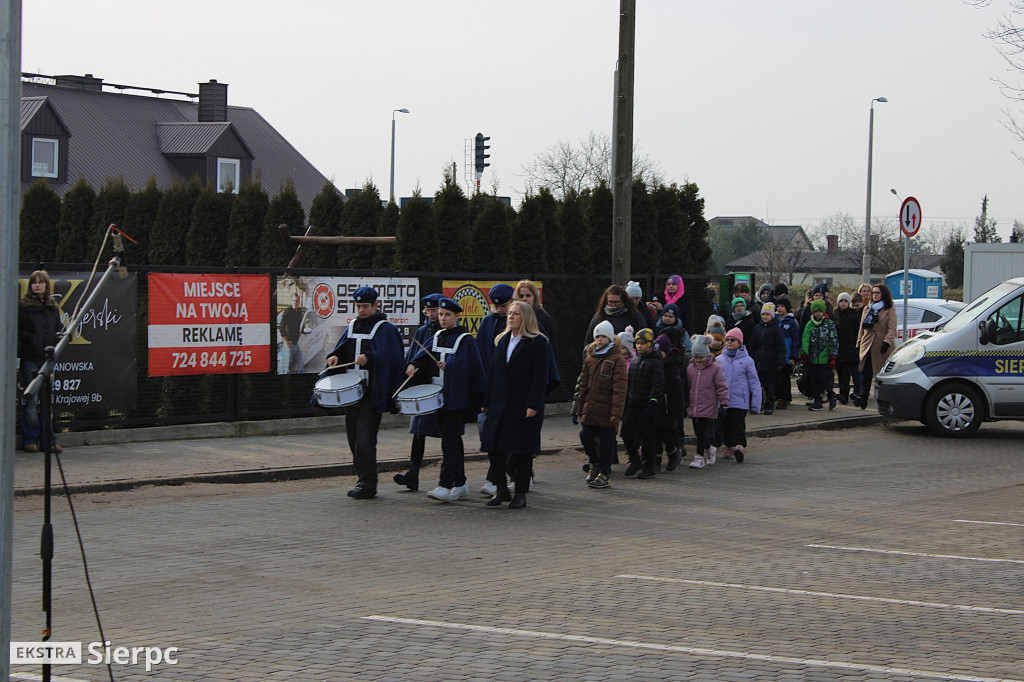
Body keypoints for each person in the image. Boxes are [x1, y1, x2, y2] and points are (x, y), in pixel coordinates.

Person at [325, 286, 405, 499]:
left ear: (375, 305)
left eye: (365, 306)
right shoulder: (352, 326)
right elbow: (343, 349)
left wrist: (370, 357)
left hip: (372, 391)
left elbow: (394, 357)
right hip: (352, 391)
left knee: (365, 438)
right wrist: (336, 357)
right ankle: (363, 478)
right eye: (358, 306)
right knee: (353, 437)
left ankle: (368, 483)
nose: (361, 310)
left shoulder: (385, 328)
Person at [407, 297, 487, 502]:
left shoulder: (466, 339)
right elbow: (424, 357)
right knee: (451, 440)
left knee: (449, 441)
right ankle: (460, 483)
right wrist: (415, 365)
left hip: (457, 399)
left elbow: (473, 369)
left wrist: (450, 366)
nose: (442, 318)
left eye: (447, 315)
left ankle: (446, 484)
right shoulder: (437, 336)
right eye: (441, 314)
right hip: (439, 397)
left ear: (457, 316)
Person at [481, 301, 555, 509]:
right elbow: (494, 373)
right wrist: (486, 401)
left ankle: (520, 492)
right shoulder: (501, 341)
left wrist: (533, 404)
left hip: (522, 404)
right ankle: (501, 489)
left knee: (520, 450)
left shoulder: (537, 342)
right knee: (493, 447)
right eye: (510, 314)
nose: (511, 317)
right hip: (499, 403)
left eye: (516, 314)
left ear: (526, 317)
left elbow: (539, 376)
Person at [394, 293, 442, 491]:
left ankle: (455, 477)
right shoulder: (423, 331)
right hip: (422, 387)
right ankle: (413, 473)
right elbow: (414, 354)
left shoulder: (445, 332)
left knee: (448, 434)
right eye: (427, 310)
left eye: (434, 310)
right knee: (418, 431)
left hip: (439, 385)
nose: (430, 314)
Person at [574, 320, 627, 490]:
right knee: (586, 436)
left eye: (603, 336)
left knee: (607, 443)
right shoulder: (590, 358)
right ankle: (594, 463)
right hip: (591, 409)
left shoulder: (616, 359)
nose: (599, 340)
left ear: (610, 338)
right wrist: (579, 408)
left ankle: (605, 473)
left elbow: (620, 388)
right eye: (597, 337)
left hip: (607, 409)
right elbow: (583, 385)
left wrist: (616, 412)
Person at [18, 270, 61, 454]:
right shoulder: (24, 306)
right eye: (34, 282)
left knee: (47, 402)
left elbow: (58, 328)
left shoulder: (53, 307)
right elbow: (19, 330)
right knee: (31, 401)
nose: (37, 285)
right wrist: (31, 338)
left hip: (48, 360)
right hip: (30, 358)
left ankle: (48, 440)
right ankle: (30, 439)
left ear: (46, 285)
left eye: (41, 282)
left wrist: (57, 337)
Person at [622, 328, 664, 479]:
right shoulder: (634, 361)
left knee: (647, 438)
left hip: (647, 406)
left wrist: (653, 403)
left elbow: (657, 385)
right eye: (637, 343)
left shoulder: (655, 362)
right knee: (626, 431)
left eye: (643, 343)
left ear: (651, 344)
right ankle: (635, 460)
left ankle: (649, 466)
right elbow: (630, 384)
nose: (639, 346)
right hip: (633, 404)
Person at [715, 328, 761, 463]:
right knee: (725, 424)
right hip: (723, 400)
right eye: (727, 340)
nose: (729, 342)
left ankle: (740, 446)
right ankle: (728, 446)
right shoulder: (719, 360)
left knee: (738, 423)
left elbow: (754, 382)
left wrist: (756, 403)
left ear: (740, 342)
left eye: (733, 340)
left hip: (740, 399)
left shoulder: (747, 361)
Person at [686, 334, 729, 470]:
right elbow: (687, 386)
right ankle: (709, 448)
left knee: (703, 432)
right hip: (694, 405)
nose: (698, 360)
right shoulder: (690, 368)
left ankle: (699, 457)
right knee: (698, 432)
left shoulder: (715, 368)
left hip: (708, 405)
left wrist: (724, 403)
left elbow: (721, 386)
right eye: (696, 357)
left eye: (701, 357)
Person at [856, 283, 897, 409]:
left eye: (877, 293)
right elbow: (862, 328)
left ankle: (885, 399)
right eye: (873, 293)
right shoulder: (867, 309)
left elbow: (892, 327)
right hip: (868, 344)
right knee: (865, 372)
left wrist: (887, 341)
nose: (874, 295)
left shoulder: (889, 309)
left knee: (882, 374)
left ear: (883, 294)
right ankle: (863, 397)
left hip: (881, 345)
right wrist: (859, 343)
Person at [654, 333, 686, 471]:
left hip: (668, 407)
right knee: (655, 434)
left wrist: (678, 411)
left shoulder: (671, 367)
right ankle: (656, 459)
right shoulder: (653, 365)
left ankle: (672, 453)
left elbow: (677, 392)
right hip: (656, 405)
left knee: (667, 434)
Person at [801, 299, 839, 411]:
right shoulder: (809, 324)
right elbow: (805, 339)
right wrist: (805, 354)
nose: (818, 313)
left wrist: (833, 355)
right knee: (814, 380)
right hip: (813, 358)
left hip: (825, 358)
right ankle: (817, 401)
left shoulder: (829, 324)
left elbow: (833, 340)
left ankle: (832, 396)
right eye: (816, 311)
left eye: (820, 311)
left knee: (824, 379)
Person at [751, 302, 786, 415]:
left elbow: (781, 346)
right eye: (763, 314)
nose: (765, 316)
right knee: (757, 385)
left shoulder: (776, 329)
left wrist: (780, 361)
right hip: (758, 361)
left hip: (771, 362)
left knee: (769, 385)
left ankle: (769, 404)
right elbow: (753, 345)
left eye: (767, 314)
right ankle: (758, 404)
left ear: (772, 316)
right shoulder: (757, 328)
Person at [834, 292, 862, 405]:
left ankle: (852, 393)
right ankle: (842, 393)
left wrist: (857, 346)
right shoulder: (835, 314)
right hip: (839, 348)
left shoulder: (853, 315)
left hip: (850, 348)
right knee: (841, 373)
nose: (843, 303)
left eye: (845, 301)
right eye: (841, 301)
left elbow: (857, 331)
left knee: (850, 372)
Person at [516, 279, 557, 354]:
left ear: (535, 297)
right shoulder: (513, 317)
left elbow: (551, 348)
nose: (524, 299)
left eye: (528, 295)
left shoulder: (544, 318)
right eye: (521, 296)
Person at [774, 297, 801, 410]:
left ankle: (784, 398)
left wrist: (794, 357)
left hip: (787, 356)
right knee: (777, 378)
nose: (779, 309)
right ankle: (780, 397)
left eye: (782, 306)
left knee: (784, 378)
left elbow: (796, 340)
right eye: (778, 306)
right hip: (776, 356)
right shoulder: (774, 320)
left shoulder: (791, 322)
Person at [278, 293, 306, 373]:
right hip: (289, 345)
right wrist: (286, 340)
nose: (295, 303)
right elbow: (281, 327)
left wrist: (299, 332)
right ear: (291, 301)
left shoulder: (299, 311)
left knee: (301, 365)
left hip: (296, 344)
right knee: (287, 369)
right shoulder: (288, 311)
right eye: (293, 301)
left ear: (299, 302)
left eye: (297, 301)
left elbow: (300, 323)